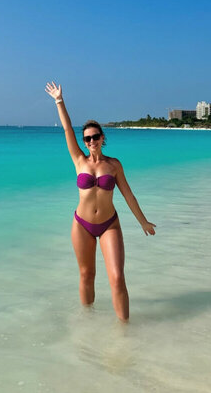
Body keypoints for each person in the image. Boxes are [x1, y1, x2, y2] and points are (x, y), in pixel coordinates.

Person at [45, 81, 156, 322]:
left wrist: (143, 222)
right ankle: (88, 322)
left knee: (117, 278)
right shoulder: (79, 160)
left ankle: (125, 329)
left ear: (102, 138)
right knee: (87, 274)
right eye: (87, 139)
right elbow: (67, 129)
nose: (91, 141)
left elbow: (128, 195)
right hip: (82, 225)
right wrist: (59, 101)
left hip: (109, 225)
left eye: (95, 137)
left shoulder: (114, 165)